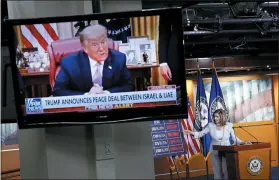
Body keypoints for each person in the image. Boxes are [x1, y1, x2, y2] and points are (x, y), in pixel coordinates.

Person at [53, 24, 134, 96]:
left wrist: (106, 94)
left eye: (103, 42)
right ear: (85, 48)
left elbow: (129, 86)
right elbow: (58, 91)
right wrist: (87, 96)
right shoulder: (70, 63)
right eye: (95, 45)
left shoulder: (118, 59)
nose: (101, 49)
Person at [184, 109, 251, 180]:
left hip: (227, 151)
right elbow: (201, 133)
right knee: (217, 171)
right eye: (214, 116)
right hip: (215, 151)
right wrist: (191, 132)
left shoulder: (228, 125)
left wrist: (243, 142)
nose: (215, 118)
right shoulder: (211, 125)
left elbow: (234, 138)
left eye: (217, 116)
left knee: (227, 170)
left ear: (222, 117)